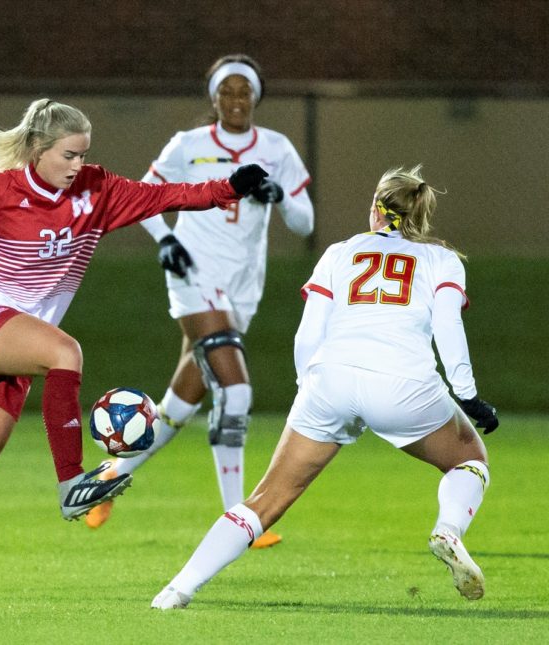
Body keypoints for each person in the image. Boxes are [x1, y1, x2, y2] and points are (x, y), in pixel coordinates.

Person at [0, 98, 268, 598]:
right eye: (68, 155)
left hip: (15, 342)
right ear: (36, 150)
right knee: (66, 354)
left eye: (83, 154)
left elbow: (165, 196)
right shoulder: (0, 193)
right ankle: (72, 486)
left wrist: (229, 187)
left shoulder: (98, 189)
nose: (78, 165)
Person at [151, 165, 500, 610]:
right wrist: (467, 394)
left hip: (330, 378)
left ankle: (177, 589)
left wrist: (309, 389)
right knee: (470, 460)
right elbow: (448, 326)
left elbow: (308, 333)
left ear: (377, 210)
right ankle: (449, 530)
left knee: (265, 500)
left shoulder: (340, 252)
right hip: (403, 384)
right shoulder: (440, 259)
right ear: (420, 215)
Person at [85, 54, 314, 550]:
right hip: (193, 273)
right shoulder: (189, 145)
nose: (235, 100)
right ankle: (241, 519)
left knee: (180, 403)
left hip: (243, 284)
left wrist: (280, 196)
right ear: (213, 98)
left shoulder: (276, 148)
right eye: (226, 92)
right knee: (235, 391)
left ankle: (108, 479)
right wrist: (165, 239)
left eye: (244, 92)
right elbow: (141, 194)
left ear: (256, 97)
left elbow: (305, 223)